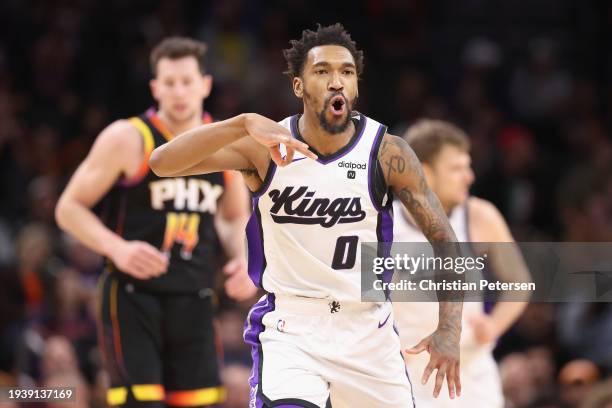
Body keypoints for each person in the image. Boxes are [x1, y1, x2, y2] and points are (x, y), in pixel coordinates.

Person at [150, 24, 462, 408]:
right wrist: (242, 122)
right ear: (298, 86)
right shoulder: (263, 148)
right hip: (291, 327)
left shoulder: (386, 153)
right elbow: (161, 162)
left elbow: (446, 242)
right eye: (322, 71)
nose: (336, 82)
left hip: (367, 329)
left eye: (346, 72)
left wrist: (449, 327)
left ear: (357, 86)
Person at [55, 37, 255, 407]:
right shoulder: (128, 137)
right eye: (169, 82)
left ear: (205, 85)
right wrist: (117, 247)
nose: (179, 91)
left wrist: (246, 258)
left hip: (195, 296)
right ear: (154, 88)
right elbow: (68, 208)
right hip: (134, 296)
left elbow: (232, 218)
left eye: (187, 81)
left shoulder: (224, 144)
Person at [392, 120, 529, 407]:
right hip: (404, 378)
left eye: (468, 166)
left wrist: (493, 325)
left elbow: (520, 283)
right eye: (457, 168)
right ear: (425, 173)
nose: (469, 176)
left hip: (470, 376)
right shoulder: (384, 223)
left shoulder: (480, 216)